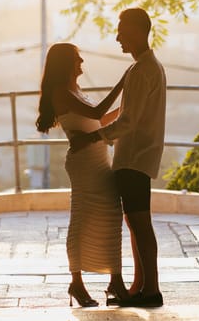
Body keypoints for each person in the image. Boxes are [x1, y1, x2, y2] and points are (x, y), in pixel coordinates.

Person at [70, 8, 166, 308]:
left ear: (138, 31)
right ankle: (141, 287)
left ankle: (151, 290)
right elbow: (127, 116)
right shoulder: (149, 67)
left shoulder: (141, 71)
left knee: (140, 225)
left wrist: (92, 136)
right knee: (137, 223)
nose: (117, 37)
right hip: (138, 155)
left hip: (134, 156)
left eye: (122, 30)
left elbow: (128, 122)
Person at [36, 42, 131, 307]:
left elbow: (98, 122)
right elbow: (97, 112)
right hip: (84, 164)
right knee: (82, 218)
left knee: (112, 216)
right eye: (78, 59)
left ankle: (115, 281)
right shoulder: (61, 92)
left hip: (99, 159)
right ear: (66, 63)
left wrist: (128, 106)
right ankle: (77, 284)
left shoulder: (75, 90)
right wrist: (123, 83)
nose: (82, 63)